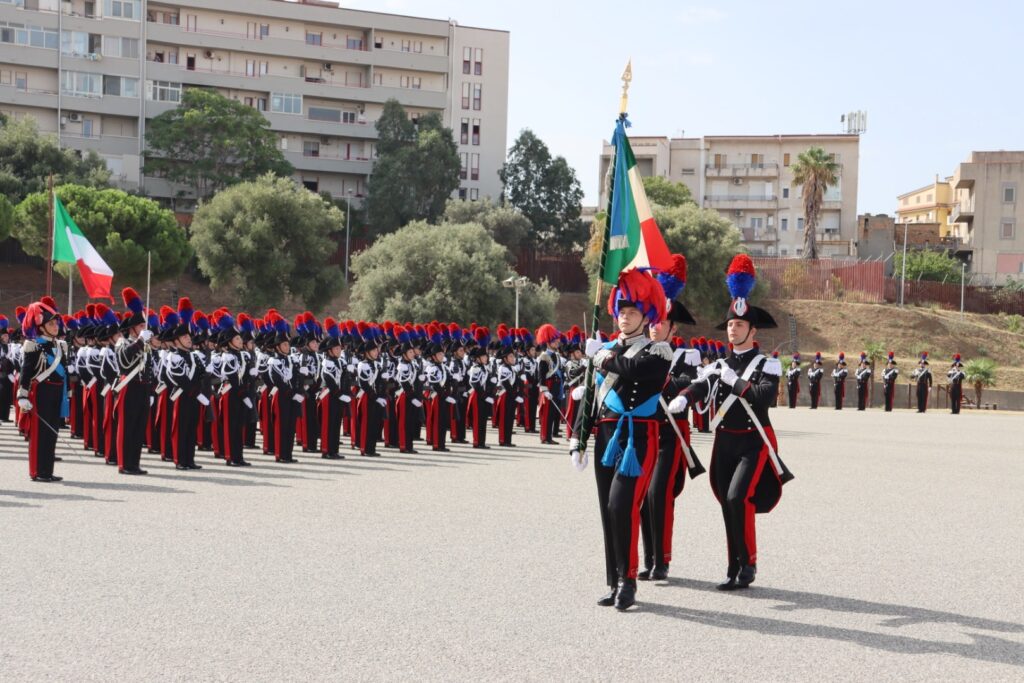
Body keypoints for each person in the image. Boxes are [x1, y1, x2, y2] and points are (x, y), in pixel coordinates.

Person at [667, 255, 793, 591]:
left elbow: (764, 396)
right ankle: (733, 565)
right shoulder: (720, 364)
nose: (732, 329)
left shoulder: (766, 364)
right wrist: (686, 398)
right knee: (727, 500)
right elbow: (702, 384)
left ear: (753, 330)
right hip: (726, 441)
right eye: (729, 325)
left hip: (754, 441)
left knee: (739, 497)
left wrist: (734, 380)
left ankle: (748, 564)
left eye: (739, 325)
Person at [569, 267, 673, 611]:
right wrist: (577, 440)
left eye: (632, 312)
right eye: (622, 311)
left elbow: (634, 373)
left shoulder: (657, 352)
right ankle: (613, 580)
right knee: (606, 509)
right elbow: (593, 400)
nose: (625, 317)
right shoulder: (608, 350)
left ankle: (629, 580)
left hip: (639, 436)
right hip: (608, 434)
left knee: (622, 505)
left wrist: (601, 357)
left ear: (647, 316)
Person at [638, 253, 699, 583]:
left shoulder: (686, 357)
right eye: (652, 320)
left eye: (661, 321)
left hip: (671, 434)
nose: (653, 325)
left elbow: (685, 385)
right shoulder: (639, 353)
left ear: (673, 328)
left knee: (658, 493)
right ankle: (648, 558)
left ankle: (662, 560)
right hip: (643, 432)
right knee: (641, 496)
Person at [16, 299, 68, 482]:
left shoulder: (61, 346)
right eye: (51, 323)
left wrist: (66, 395)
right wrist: (22, 395)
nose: (55, 326)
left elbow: (64, 373)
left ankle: (47, 470)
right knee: (40, 434)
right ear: (42, 327)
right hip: (41, 392)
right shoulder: (33, 345)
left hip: (56, 393)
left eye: (56, 323)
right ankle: (37, 471)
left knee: (53, 432)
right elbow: (26, 371)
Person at [113, 288, 153, 475]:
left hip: (143, 389)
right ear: (132, 329)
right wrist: (139, 343)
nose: (144, 330)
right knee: (127, 426)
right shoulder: (123, 342)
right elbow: (124, 362)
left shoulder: (145, 346)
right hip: (128, 387)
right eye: (141, 327)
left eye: (145, 327)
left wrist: (150, 391)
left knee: (138, 427)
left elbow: (149, 368)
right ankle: (124, 464)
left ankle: (134, 462)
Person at [318, 318, 349, 460]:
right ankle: (326, 450)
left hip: (337, 395)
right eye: (336, 349)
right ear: (330, 351)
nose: (339, 350)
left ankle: (334, 449)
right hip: (329, 395)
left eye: (339, 348)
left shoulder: (339, 362)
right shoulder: (328, 363)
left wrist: (344, 392)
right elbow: (329, 380)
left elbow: (343, 378)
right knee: (328, 423)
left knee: (337, 423)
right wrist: (339, 393)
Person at [535, 325, 564, 445]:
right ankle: (545, 437)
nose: (557, 341)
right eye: (554, 340)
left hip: (556, 386)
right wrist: (544, 390)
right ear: (547, 342)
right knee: (546, 413)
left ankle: (549, 435)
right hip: (548, 386)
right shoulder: (543, 357)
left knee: (552, 413)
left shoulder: (557, 355)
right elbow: (541, 375)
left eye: (557, 339)